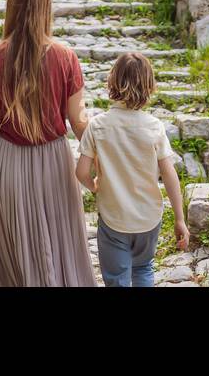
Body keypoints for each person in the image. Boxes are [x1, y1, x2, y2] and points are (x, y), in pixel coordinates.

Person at [0, 0, 95, 286]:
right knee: (59, 250)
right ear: (47, 9)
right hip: (53, 163)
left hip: (4, 164)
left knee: (11, 260)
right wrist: (104, 158)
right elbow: (78, 121)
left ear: (11, 8)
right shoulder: (66, 58)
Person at [74, 51, 188, 287]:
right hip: (148, 218)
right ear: (149, 86)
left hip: (114, 217)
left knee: (117, 278)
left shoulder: (97, 126)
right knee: (144, 268)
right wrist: (179, 218)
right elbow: (169, 175)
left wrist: (94, 186)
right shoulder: (154, 127)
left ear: (112, 81)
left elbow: (81, 172)